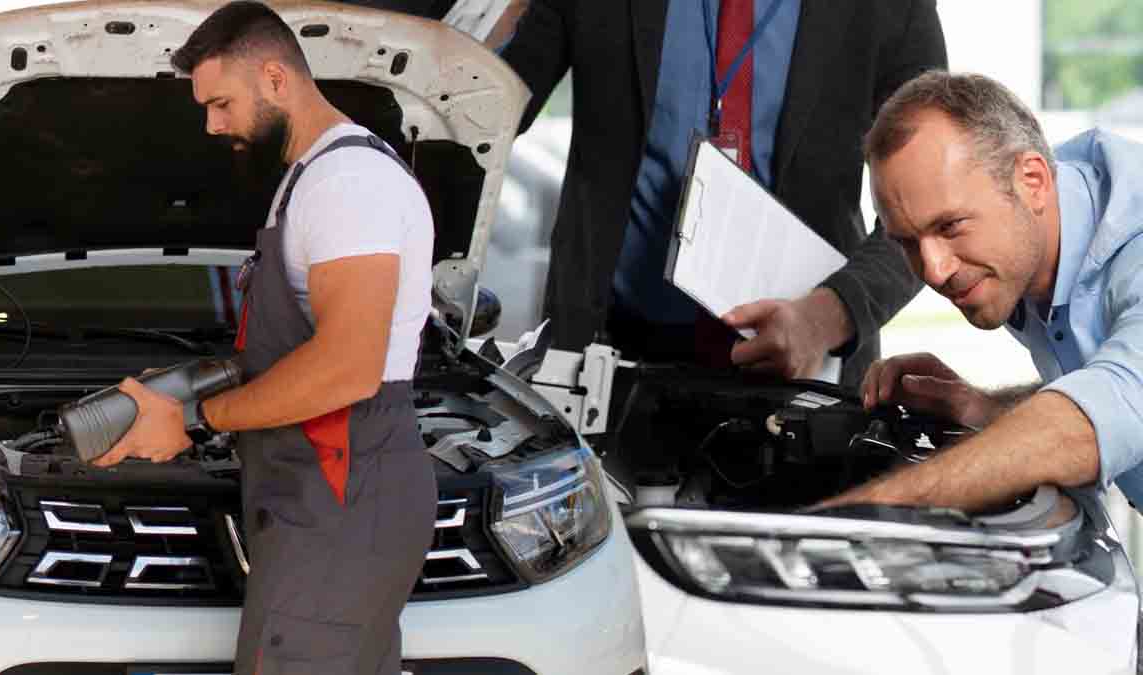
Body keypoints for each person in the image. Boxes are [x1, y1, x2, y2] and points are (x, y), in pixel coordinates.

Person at [92, 3, 437, 673]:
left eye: (221, 102)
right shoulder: (312, 177)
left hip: (345, 488)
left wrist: (195, 419)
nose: (212, 124)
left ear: (276, 77)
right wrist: (177, 391)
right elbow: (292, 344)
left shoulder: (348, 182)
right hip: (321, 495)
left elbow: (348, 366)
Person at [498, 0, 947, 386]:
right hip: (607, 348)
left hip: (808, 356)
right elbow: (476, 112)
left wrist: (831, 314)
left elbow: (935, 208)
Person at [819, 70, 1143, 514]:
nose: (934, 270)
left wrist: (841, 523)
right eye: (907, 242)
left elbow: (1090, 424)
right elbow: (1100, 378)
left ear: (1033, 181)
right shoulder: (1038, 227)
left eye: (950, 226)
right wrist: (980, 407)